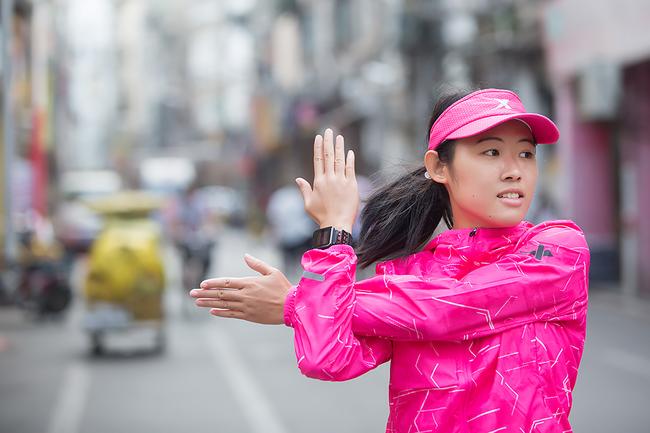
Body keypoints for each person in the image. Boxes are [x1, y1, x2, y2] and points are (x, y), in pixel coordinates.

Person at [190, 88, 590, 433]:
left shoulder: (558, 251)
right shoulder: (408, 275)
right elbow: (326, 358)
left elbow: (451, 306)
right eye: (491, 152)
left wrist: (300, 302)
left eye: (526, 154)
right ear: (438, 167)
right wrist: (334, 229)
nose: (514, 171)